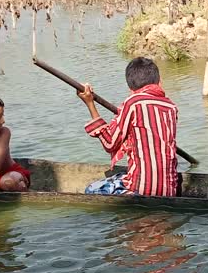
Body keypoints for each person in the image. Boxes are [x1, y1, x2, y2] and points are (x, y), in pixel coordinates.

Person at [77, 57, 181, 196]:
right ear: (159, 81)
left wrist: (90, 103)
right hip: (169, 191)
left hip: (142, 191)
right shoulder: (171, 107)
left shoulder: (133, 102)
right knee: (121, 174)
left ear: (130, 87)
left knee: (90, 189)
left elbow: (110, 143)